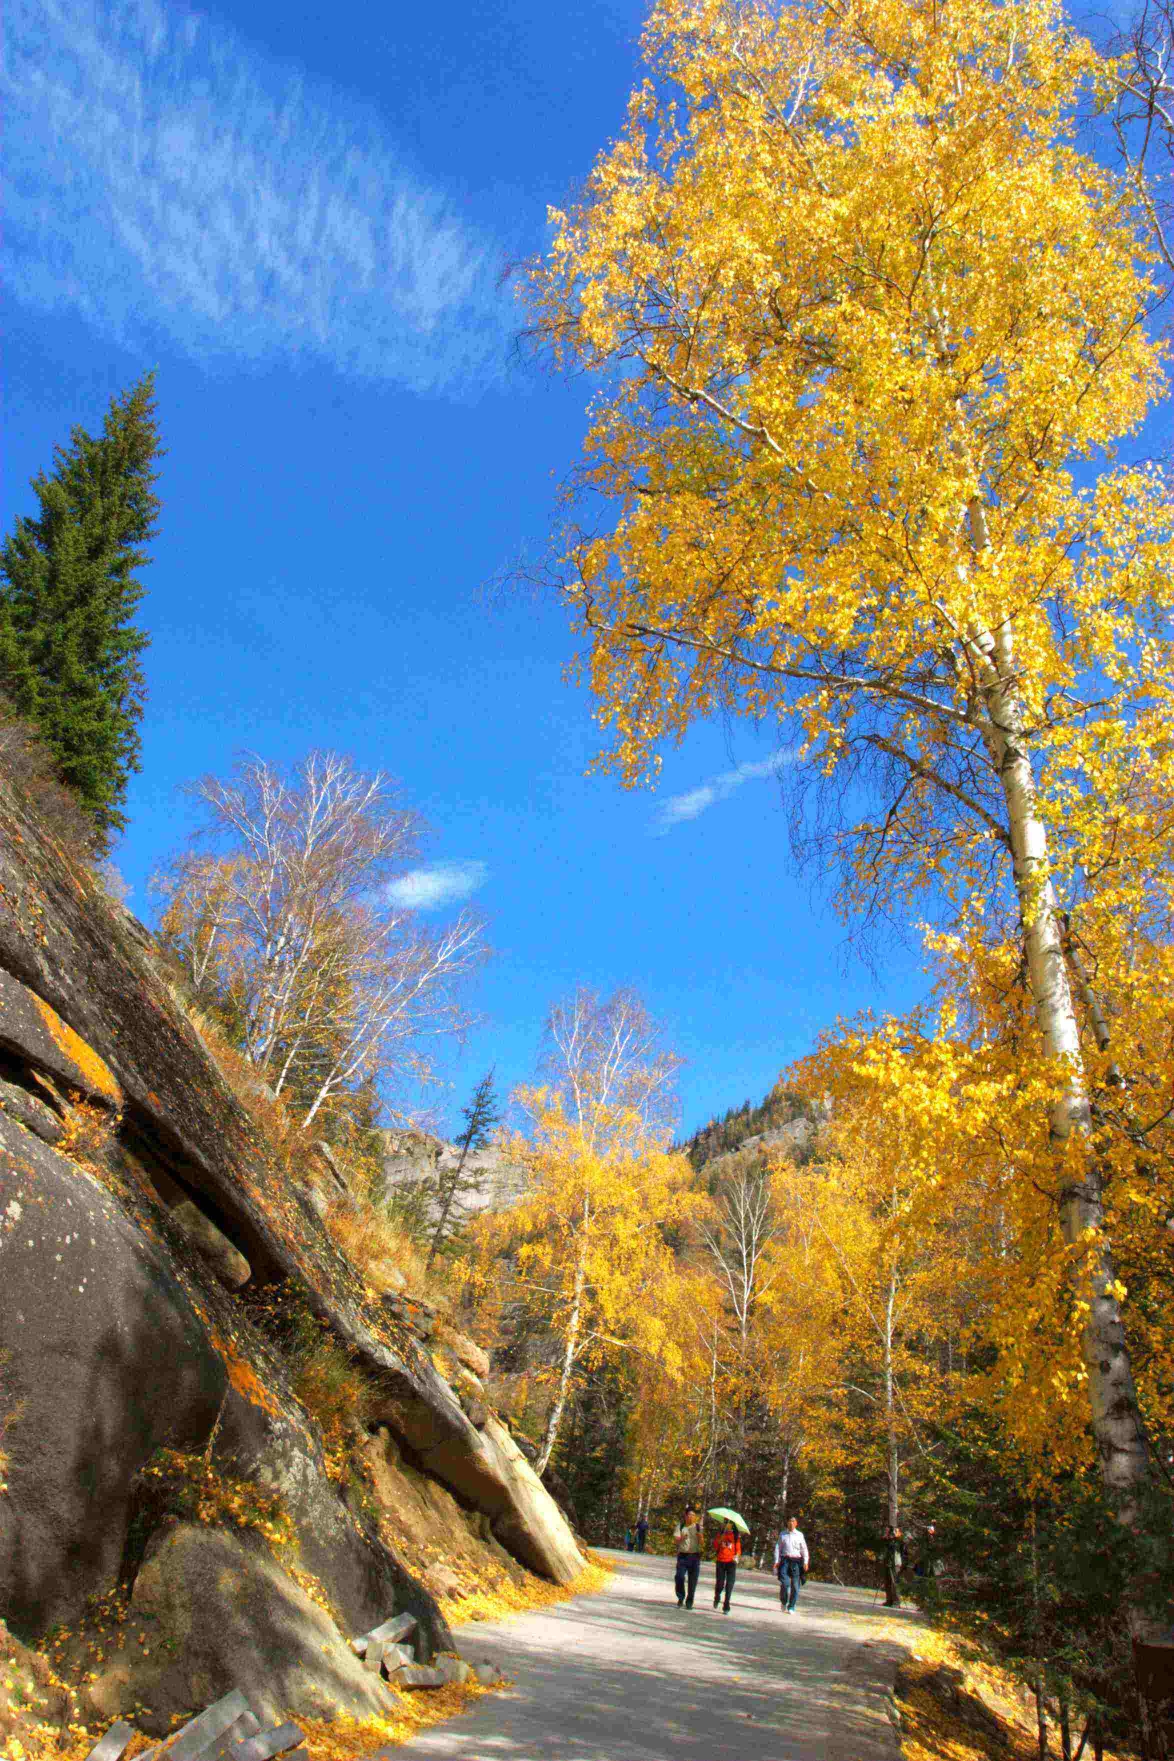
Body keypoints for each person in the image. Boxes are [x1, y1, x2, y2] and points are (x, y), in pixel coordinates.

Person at [774, 1515, 810, 1613]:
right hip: (785, 1560)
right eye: (790, 1521)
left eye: (793, 1521)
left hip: (796, 1562)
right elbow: (778, 1548)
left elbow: (804, 1549)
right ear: (787, 1523)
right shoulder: (783, 1534)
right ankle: (783, 1601)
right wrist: (776, 1561)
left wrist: (806, 1562)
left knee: (795, 1585)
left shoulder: (799, 1535)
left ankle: (791, 1606)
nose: (791, 1523)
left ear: (796, 1524)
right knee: (785, 1584)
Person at [673, 1506, 704, 1608]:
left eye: (694, 1515)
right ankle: (680, 1597)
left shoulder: (698, 1527)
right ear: (685, 1515)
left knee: (693, 1580)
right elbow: (675, 1541)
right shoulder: (680, 1526)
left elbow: (702, 1543)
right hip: (683, 1556)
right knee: (679, 1577)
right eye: (690, 1515)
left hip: (695, 1556)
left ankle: (690, 1601)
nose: (691, 1517)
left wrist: (701, 1538)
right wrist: (682, 1538)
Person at [712, 1521, 742, 1613]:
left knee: (729, 1585)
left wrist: (736, 1556)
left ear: (732, 1525)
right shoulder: (720, 1534)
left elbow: (738, 1550)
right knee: (720, 1584)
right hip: (721, 1562)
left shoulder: (736, 1536)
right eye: (725, 1523)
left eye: (729, 1523)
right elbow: (715, 1546)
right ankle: (717, 1596)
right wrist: (719, 1540)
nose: (727, 1525)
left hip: (731, 1563)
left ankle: (726, 1605)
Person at [882, 1524, 904, 1607]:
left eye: (888, 1531)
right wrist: (886, 1538)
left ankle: (896, 1602)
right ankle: (889, 1600)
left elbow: (898, 1547)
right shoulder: (888, 1539)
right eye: (886, 1531)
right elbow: (884, 1545)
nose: (886, 1532)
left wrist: (893, 1537)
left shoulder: (897, 1540)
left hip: (895, 1563)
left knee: (894, 1582)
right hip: (888, 1562)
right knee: (887, 1582)